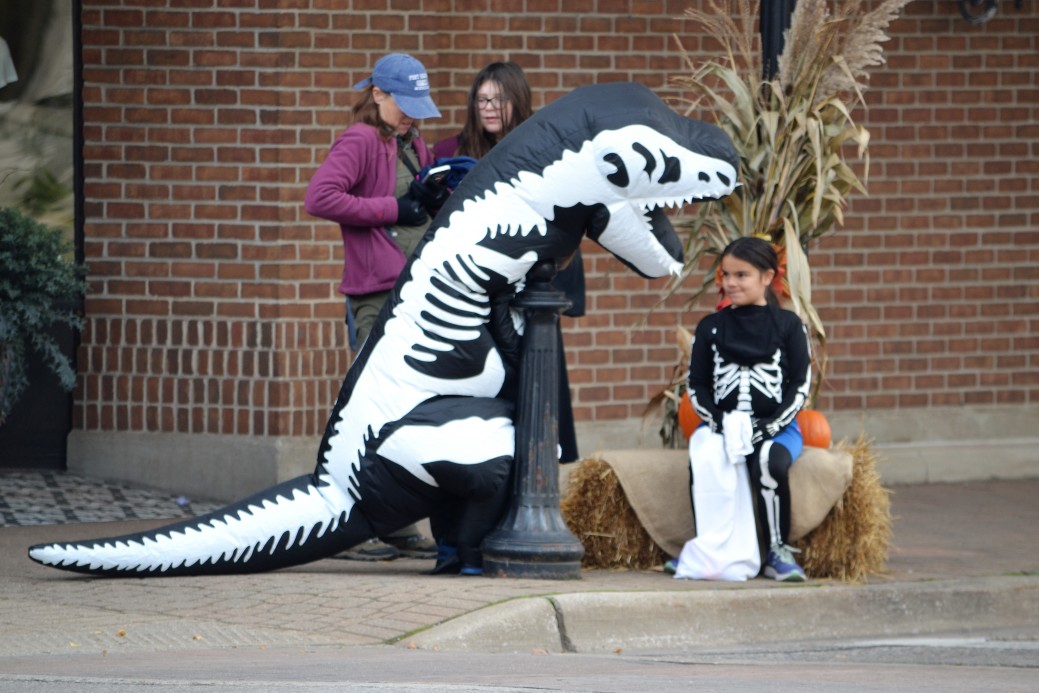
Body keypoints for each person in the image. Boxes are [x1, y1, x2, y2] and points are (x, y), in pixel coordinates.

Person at [304, 53, 447, 561]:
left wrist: (429, 199)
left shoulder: (409, 140)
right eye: (404, 104)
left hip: (412, 291)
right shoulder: (361, 138)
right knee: (369, 409)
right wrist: (392, 209)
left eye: (418, 106)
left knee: (405, 409)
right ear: (378, 95)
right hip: (374, 295)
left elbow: (412, 202)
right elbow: (319, 198)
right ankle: (349, 521)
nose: (413, 114)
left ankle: (394, 520)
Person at [433, 61, 585, 464]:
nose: (489, 108)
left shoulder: (543, 153)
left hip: (525, 295)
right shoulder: (450, 152)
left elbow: (564, 219)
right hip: (469, 296)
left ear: (517, 102)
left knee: (529, 394)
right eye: (482, 99)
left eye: (499, 99)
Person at [667, 236, 811, 582]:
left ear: (767, 276)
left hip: (777, 425)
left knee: (767, 460)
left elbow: (799, 386)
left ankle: (777, 550)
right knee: (705, 454)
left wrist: (770, 427)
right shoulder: (711, 327)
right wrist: (718, 423)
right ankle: (706, 549)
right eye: (726, 275)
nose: (731, 283)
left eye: (741, 275)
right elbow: (697, 385)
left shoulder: (790, 326)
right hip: (721, 423)